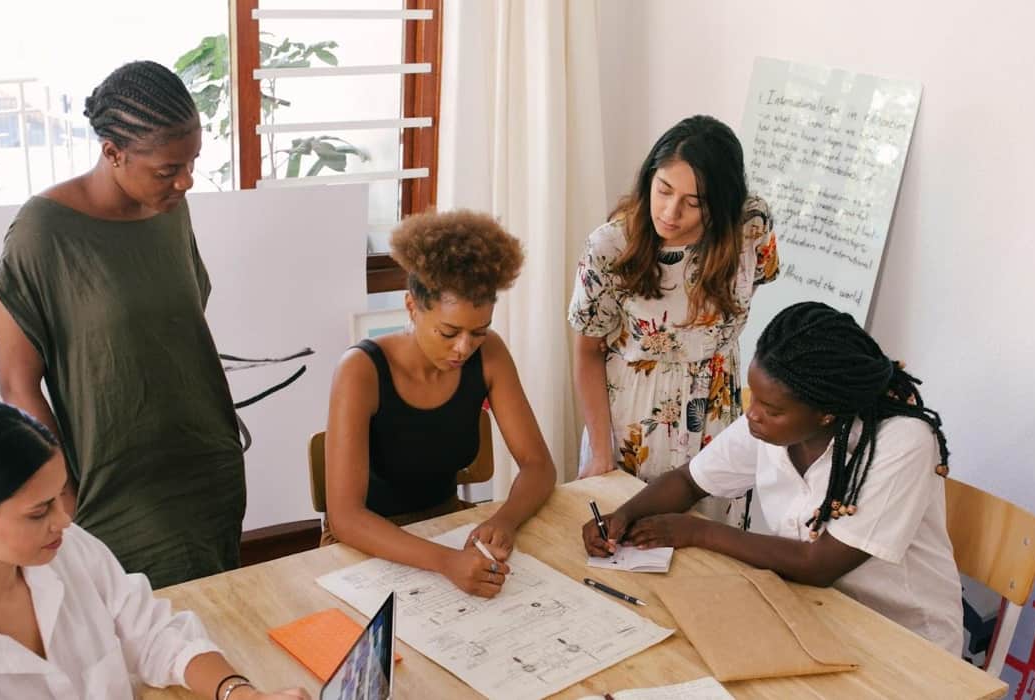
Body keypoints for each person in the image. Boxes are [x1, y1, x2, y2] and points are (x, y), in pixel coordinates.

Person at [582, 302, 964, 655]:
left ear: (826, 413)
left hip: (904, 641)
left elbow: (819, 564)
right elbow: (689, 481)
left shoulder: (902, 441)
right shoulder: (771, 426)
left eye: (771, 409)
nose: (752, 415)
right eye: (755, 400)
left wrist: (698, 532)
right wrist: (624, 516)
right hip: (815, 613)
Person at [0, 60, 245, 588]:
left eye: (192, 161)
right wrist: (61, 494)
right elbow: (17, 383)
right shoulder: (43, 232)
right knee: (137, 638)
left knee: (217, 620)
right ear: (113, 152)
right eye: (167, 169)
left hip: (206, 464)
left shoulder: (170, 208)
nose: (186, 180)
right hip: (116, 485)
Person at [0, 400, 307, 699]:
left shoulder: (67, 549)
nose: (63, 520)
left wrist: (239, 693)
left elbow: (152, 633)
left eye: (60, 496)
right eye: (38, 511)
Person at [324, 210, 556, 598]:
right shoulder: (361, 370)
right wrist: (446, 562)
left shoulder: (489, 354)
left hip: (445, 526)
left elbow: (538, 465)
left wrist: (505, 520)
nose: (464, 348)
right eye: (449, 332)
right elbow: (345, 518)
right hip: (365, 545)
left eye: (478, 332)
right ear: (412, 307)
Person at [568, 114, 779, 526]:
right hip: (634, 421)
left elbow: (759, 279)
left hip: (717, 416)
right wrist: (601, 452)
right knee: (625, 544)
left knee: (712, 555)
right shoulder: (611, 246)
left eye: (693, 202)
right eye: (663, 189)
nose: (670, 211)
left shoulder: (750, 227)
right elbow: (587, 351)